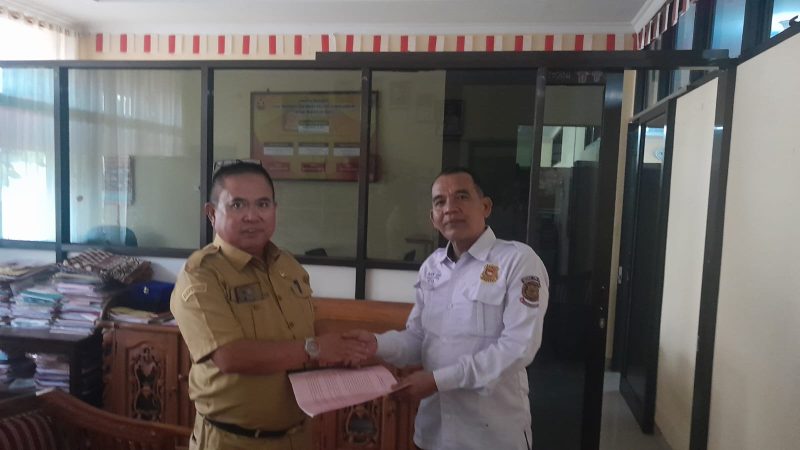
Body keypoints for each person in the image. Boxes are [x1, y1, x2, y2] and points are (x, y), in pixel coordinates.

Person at [170, 160, 370, 450]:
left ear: (275, 209)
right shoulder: (201, 274)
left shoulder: (286, 265)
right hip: (233, 441)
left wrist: (345, 348)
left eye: (263, 204)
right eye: (237, 205)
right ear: (212, 213)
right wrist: (315, 348)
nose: (252, 216)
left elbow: (307, 326)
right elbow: (229, 356)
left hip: (298, 435)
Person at [347, 167, 549, 450]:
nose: (450, 208)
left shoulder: (517, 260)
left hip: (491, 436)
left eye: (462, 197)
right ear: (433, 218)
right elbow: (418, 338)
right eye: (440, 202)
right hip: (433, 432)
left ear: (485, 206)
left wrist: (438, 381)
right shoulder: (432, 267)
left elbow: (518, 347)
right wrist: (376, 344)